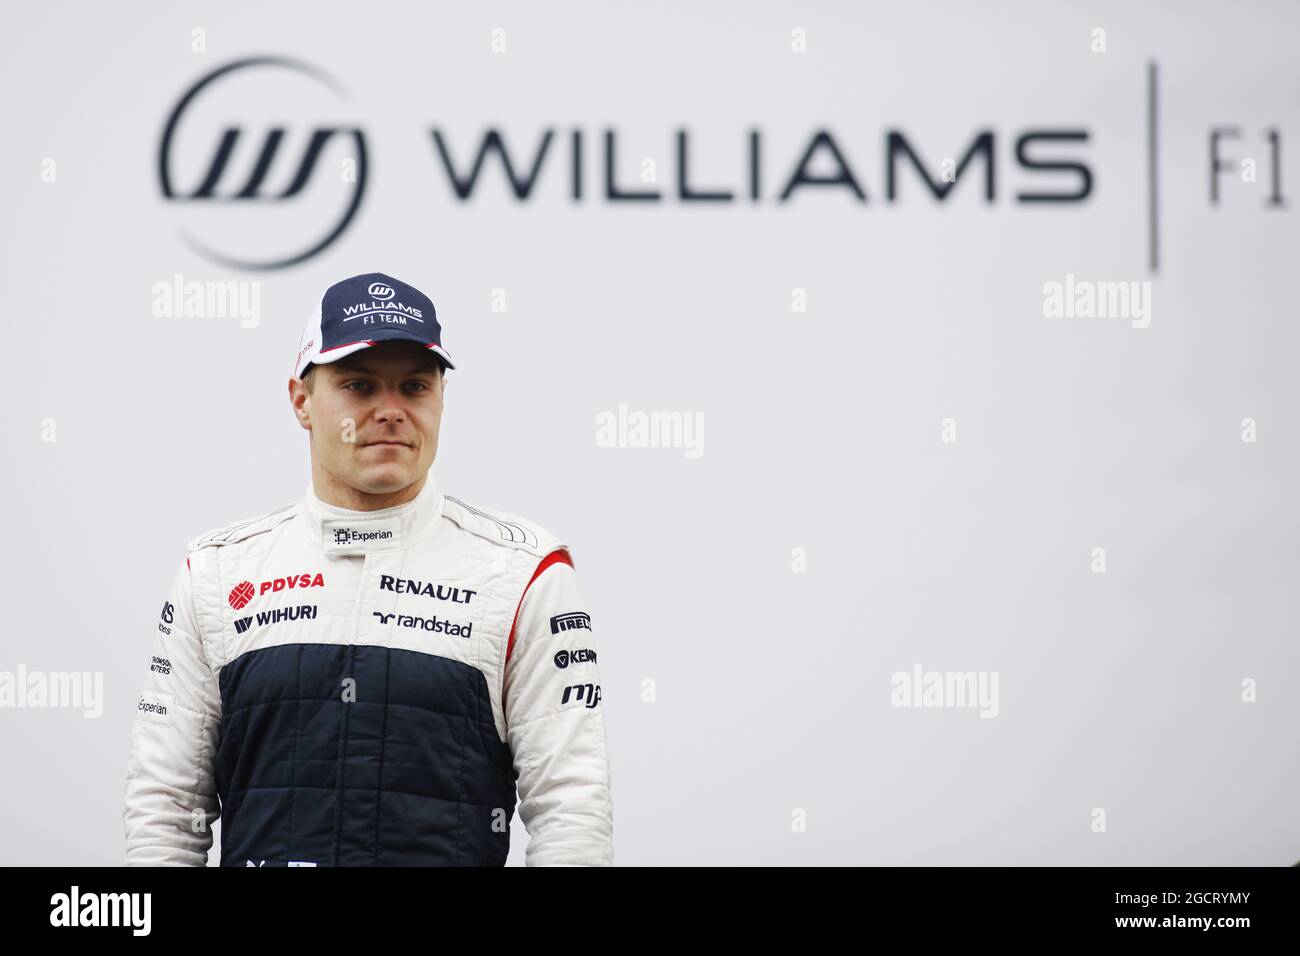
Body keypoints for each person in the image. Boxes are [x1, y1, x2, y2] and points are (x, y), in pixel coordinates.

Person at [123, 272, 613, 866]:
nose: (390, 411)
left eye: (414, 386)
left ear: (441, 400)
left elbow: (571, 810)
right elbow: (166, 814)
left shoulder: (524, 571)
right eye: (359, 386)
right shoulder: (216, 574)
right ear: (301, 402)